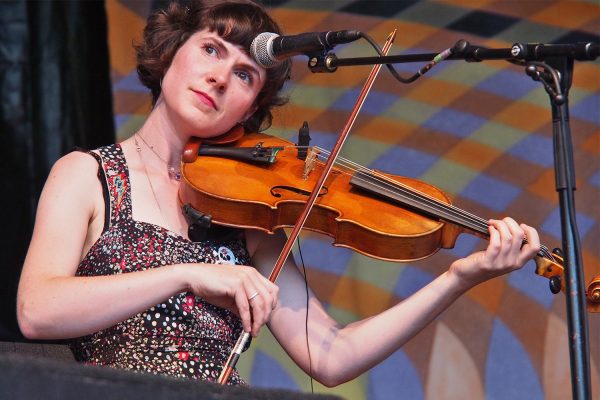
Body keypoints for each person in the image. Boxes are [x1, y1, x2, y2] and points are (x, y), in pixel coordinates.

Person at [16, 0, 540, 388]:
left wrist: (458, 278)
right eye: (211, 49)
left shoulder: (246, 216)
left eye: (245, 74)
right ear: (172, 52)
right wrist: (188, 272)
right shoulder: (88, 175)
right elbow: (37, 310)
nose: (220, 77)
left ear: (250, 108)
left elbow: (331, 356)